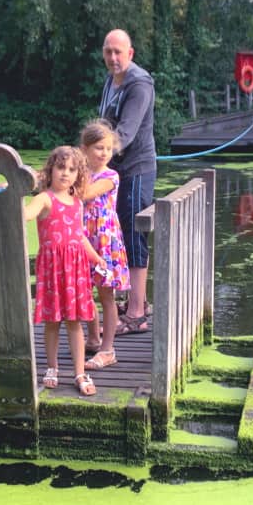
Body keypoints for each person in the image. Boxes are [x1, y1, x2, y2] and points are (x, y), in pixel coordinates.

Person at [24, 146, 107, 396]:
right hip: (52, 269)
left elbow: (79, 235)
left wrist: (96, 258)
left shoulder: (77, 202)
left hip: (76, 269)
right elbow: (26, 214)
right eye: (61, 168)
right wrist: (11, 198)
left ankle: (80, 372)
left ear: (78, 174)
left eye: (72, 170)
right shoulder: (44, 198)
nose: (65, 174)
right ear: (50, 170)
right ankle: (52, 367)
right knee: (52, 322)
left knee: (74, 322)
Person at [98, 29, 156, 335]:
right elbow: (104, 124)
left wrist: (93, 159)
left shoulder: (139, 83)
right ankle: (137, 301)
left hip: (137, 168)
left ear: (130, 53)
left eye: (118, 52)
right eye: (108, 52)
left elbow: (125, 133)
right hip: (115, 171)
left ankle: (136, 314)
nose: (113, 58)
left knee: (134, 235)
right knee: (121, 233)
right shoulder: (111, 80)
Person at [79, 120, 131, 370]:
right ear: (85, 148)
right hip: (83, 238)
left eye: (108, 148)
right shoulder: (79, 173)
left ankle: (108, 350)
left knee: (106, 294)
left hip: (104, 240)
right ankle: (92, 338)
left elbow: (85, 194)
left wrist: (57, 184)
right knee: (85, 290)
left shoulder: (111, 175)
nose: (104, 153)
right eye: (98, 147)